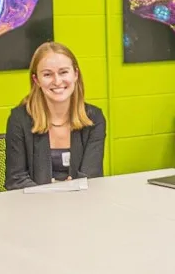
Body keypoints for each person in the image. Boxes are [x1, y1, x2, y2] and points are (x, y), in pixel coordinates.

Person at [6, 42, 107, 190]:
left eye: (63, 72)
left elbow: (91, 177)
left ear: (75, 75)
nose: (57, 81)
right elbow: (16, 180)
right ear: (36, 80)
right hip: (34, 208)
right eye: (47, 74)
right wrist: (54, 193)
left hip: (81, 206)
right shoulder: (19, 119)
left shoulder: (94, 118)